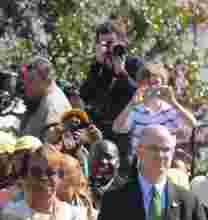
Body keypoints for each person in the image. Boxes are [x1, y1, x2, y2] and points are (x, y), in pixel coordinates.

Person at [80, 18, 143, 157]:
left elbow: (140, 96)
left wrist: (122, 73)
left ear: (123, 42)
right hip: (99, 134)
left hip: (126, 134)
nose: (108, 48)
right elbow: (84, 95)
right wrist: (97, 65)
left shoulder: (135, 64)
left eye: (111, 43)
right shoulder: (98, 67)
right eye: (103, 44)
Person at [112, 62, 197, 156]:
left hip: (165, 161)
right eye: (148, 84)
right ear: (141, 85)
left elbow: (193, 125)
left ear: (163, 84)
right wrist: (131, 104)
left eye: (156, 83)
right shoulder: (135, 110)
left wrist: (174, 103)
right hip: (142, 163)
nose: (152, 87)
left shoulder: (171, 110)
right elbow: (117, 128)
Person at [18, 58, 70, 141]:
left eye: (31, 80)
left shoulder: (54, 107)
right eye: (25, 80)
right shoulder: (41, 96)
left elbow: (47, 149)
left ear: (47, 81)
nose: (26, 86)